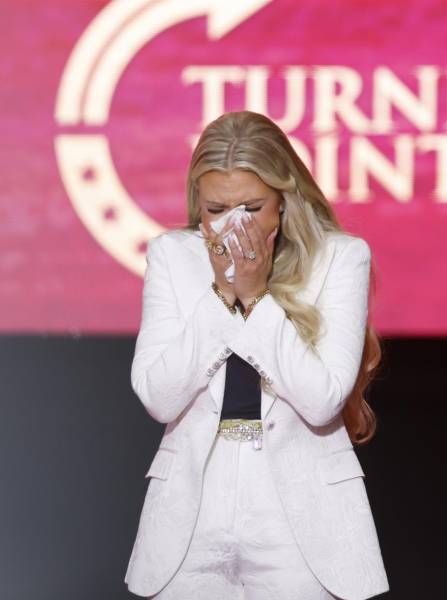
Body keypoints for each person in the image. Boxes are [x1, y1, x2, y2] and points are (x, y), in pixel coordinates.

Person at [123, 111, 390, 599]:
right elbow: (159, 398)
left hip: (300, 508)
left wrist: (257, 296)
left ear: (284, 203)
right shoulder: (172, 255)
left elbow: (322, 399)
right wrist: (224, 298)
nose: (232, 225)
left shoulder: (339, 257)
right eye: (215, 209)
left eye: (250, 206)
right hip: (192, 504)